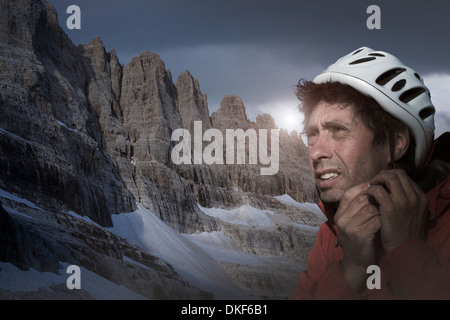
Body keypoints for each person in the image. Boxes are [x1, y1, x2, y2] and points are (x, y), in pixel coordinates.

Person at [291, 47, 450, 299]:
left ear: (397, 143)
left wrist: (406, 250)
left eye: (338, 131)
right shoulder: (332, 233)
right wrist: (351, 269)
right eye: (312, 135)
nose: (315, 152)